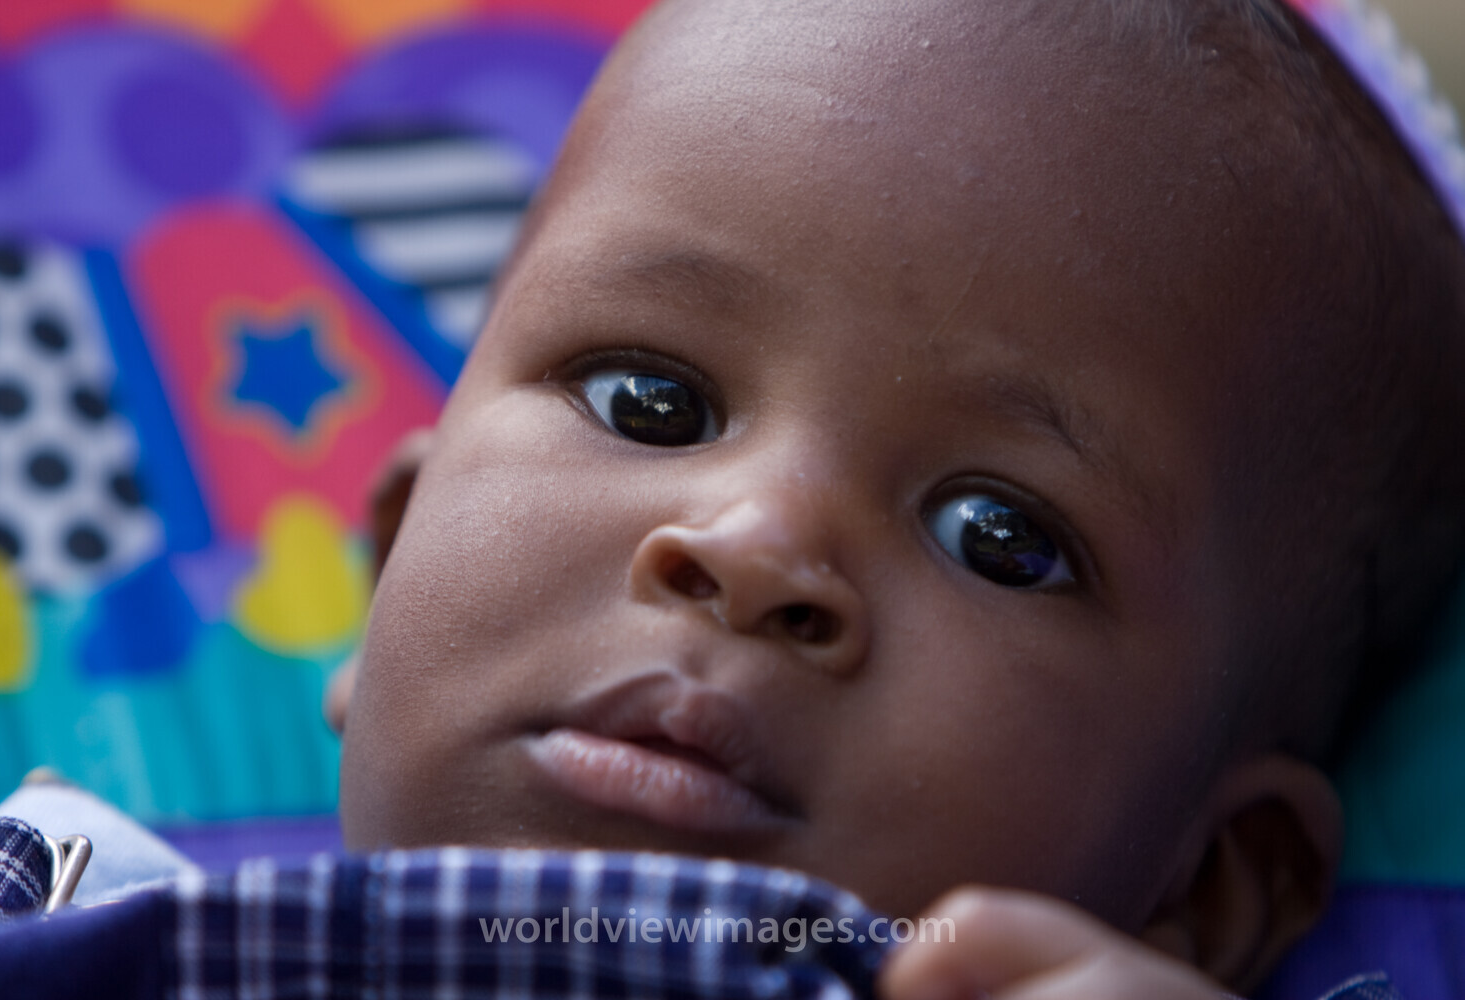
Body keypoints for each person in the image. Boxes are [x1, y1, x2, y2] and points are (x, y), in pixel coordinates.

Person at [332, 0, 1465, 996]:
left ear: (1202, 886)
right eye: (647, 403)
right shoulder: (152, 913)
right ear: (389, 571)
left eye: (999, 538)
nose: (757, 549)